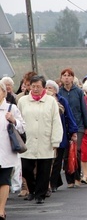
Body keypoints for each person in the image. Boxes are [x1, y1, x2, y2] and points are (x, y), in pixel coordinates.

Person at [18, 75, 63, 204]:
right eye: (33, 86)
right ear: (29, 87)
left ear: (43, 87)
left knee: (44, 170)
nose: (36, 89)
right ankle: (32, 189)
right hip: (28, 140)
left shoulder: (51, 101)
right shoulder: (23, 101)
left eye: (38, 86)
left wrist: (55, 140)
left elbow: (56, 121)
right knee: (26, 168)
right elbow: (19, 120)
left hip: (45, 140)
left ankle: (40, 195)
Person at [59, 68, 87, 188]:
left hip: (78, 126)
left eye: (69, 75)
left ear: (73, 78)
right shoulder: (60, 92)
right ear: (61, 78)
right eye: (64, 75)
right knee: (67, 154)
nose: (66, 77)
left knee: (76, 151)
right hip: (64, 126)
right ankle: (70, 180)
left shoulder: (78, 91)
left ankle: (77, 177)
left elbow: (83, 109)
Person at [45, 80, 78, 194]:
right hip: (46, 135)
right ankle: (52, 182)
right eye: (46, 87)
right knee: (49, 161)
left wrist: (73, 131)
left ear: (55, 90)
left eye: (51, 88)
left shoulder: (62, 100)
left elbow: (69, 115)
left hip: (60, 134)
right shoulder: (42, 101)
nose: (48, 90)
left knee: (58, 161)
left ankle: (53, 184)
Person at [0, 81, 25, 219]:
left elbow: (22, 127)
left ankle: (1, 209)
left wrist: (13, 120)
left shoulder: (11, 108)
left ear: (4, 92)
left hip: (6, 152)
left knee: (4, 180)